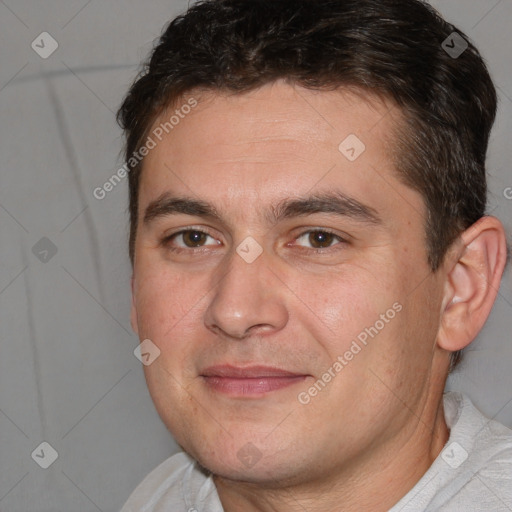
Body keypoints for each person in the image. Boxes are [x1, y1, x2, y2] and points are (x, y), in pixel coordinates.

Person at [117, 0, 512, 510]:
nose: (235, 311)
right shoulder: (160, 499)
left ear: (461, 287)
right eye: (193, 238)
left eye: (319, 239)